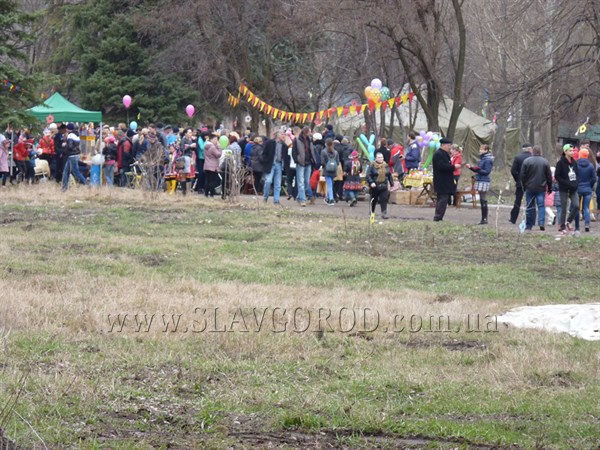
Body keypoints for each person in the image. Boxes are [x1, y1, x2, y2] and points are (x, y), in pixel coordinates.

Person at [520, 145, 552, 231]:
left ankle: (529, 224)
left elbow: (522, 175)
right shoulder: (545, 162)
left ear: (532, 151)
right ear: (540, 151)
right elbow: (549, 176)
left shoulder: (527, 161)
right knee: (541, 205)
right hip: (541, 187)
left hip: (529, 187)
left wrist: (524, 185)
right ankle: (541, 222)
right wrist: (549, 187)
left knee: (530, 205)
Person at [555, 144, 580, 235]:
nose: (572, 152)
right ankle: (562, 227)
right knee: (564, 208)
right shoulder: (560, 163)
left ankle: (568, 221)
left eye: (573, 150)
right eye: (570, 150)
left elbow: (577, 174)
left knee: (577, 206)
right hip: (563, 189)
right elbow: (557, 176)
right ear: (565, 152)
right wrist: (566, 183)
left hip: (573, 188)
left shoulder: (574, 162)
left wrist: (576, 183)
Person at [466, 144, 494, 225]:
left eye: (482, 149)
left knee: (483, 198)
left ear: (486, 150)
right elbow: (479, 170)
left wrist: (478, 169)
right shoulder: (482, 159)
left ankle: (484, 219)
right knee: (482, 199)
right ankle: (483, 219)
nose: (480, 151)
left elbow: (486, 172)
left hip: (484, 180)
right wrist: (471, 168)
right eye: (480, 149)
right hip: (479, 179)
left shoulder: (488, 160)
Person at [432, 137, 459, 222]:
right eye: (448, 145)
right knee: (443, 199)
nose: (449, 147)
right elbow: (442, 167)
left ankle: (438, 216)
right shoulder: (439, 154)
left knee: (442, 198)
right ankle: (438, 217)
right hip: (441, 180)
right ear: (443, 145)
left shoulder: (444, 154)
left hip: (445, 180)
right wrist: (453, 167)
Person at [261, 131, 287, 204]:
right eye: (282, 134)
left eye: (284, 134)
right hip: (271, 164)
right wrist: (266, 161)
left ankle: (276, 200)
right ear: (278, 135)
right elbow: (264, 154)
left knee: (278, 183)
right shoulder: (270, 143)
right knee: (268, 181)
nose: (284, 136)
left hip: (279, 165)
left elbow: (286, 158)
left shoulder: (284, 146)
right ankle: (265, 197)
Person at [509, 143, 533, 224]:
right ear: (530, 149)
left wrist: (517, 179)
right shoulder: (533, 158)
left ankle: (513, 218)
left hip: (520, 182)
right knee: (530, 201)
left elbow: (513, 171)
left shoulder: (518, 157)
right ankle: (530, 220)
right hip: (531, 182)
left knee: (518, 201)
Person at [292, 126, 315, 206]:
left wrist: (313, 159)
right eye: (309, 131)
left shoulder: (310, 140)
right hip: (301, 162)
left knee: (306, 182)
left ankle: (299, 197)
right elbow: (294, 151)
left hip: (308, 162)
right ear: (305, 132)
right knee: (300, 182)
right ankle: (302, 199)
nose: (310, 133)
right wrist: (296, 160)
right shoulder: (297, 140)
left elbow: (311, 150)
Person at [366, 152, 393, 219]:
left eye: (381, 157)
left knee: (384, 199)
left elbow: (389, 175)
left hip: (384, 185)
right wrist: (371, 182)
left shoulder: (386, 165)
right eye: (379, 157)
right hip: (375, 186)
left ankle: (384, 213)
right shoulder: (372, 165)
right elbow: (368, 175)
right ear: (376, 158)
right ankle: (372, 212)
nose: (381, 159)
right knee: (374, 200)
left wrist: (391, 183)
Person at [576, 147, 596, 232]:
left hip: (578, 189)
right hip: (587, 189)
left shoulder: (576, 164)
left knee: (577, 207)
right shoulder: (591, 165)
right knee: (586, 208)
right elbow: (594, 178)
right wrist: (590, 186)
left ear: (580, 155)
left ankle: (577, 225)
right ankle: (587, 224)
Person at [62, 127, 87, 191]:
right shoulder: (76, 135)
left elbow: (70, 147)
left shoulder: (70, 135)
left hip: (71, 155)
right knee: (66, 171)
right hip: (75, 155)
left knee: (75, 172)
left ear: (68, 129)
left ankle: (86, 183)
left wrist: (65, 145)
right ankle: (64, 187)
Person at [320, 138, 339, 205]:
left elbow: (322, 162)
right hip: (334, 171)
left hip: (327, 170)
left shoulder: (324, 152)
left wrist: (325, 165)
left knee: (329, 185)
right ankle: (327, 198)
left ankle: (331, 199)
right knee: (330, 184)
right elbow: (337, 162)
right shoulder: (336, 152)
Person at [203, 133, 222, 197]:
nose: (216, 141)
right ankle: (211, 194)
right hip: (212, 166)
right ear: (211, 140)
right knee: (212, 181)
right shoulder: (212, 147)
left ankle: (206, 194)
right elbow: (218, 155)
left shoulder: (206, 146)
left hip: (206, 165)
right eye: (215, 139)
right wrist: (219, 147)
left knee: (207, 180)